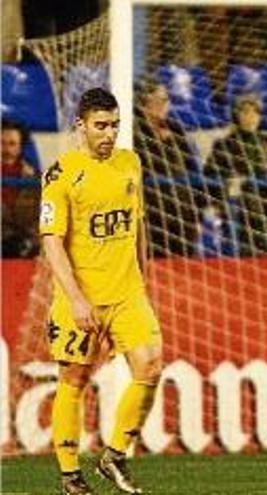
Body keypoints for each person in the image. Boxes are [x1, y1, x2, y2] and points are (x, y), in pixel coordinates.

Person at [40, 88, 162, 495]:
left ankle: (114, 455)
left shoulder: (131, 163)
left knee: (150, 367)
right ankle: (71, 475)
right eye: (101, 126)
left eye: (114, 125)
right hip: (82, 296)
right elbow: (52, 242)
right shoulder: (61, 174)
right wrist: (75, 299)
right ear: (81, 126)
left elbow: (138, 225)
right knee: (74, 378)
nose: (109, 134)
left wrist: (144, 279)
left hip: (128, 292)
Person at [204, 94, 267, 256]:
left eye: (254, 112)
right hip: (237, 198)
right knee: (252, 203)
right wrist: (230, 181)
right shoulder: (223, 144)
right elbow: (209, 174)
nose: (250, 117)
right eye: (245, 112)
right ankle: (257, 255)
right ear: (236, 115)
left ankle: (264, 255)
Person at [133, 77, 202, 257]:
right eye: (158, 100)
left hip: (180, 207)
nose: (163, 105)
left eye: (166, 100)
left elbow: (190, 167)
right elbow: (144, 167)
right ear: (144, 103)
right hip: (150, 207)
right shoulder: (132, 132)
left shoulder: (176, 130)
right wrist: (163, 145)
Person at [2, 119, 39, 257]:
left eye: (12, 144)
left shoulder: (36, 180)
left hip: (27, 252)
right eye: (1, 143)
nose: (6, 150)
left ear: (20, 147)